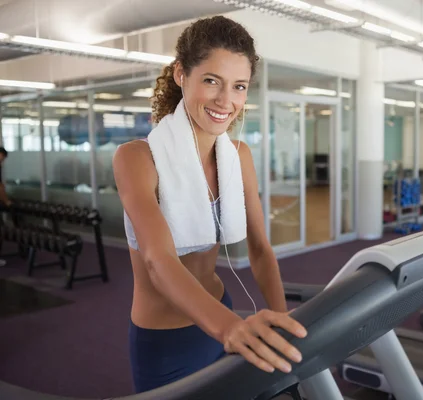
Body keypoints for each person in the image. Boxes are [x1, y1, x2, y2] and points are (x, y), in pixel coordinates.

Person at [113, 16, 306, 393]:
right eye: (211, 81)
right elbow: (157, 260)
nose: (226, 101)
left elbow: (260, 248)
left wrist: (282, 318)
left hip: (223, 308)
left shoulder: (238, 156)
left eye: (239, 87)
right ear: (181, 74)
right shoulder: (137, 158)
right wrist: (228, 327)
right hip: (167, 339)